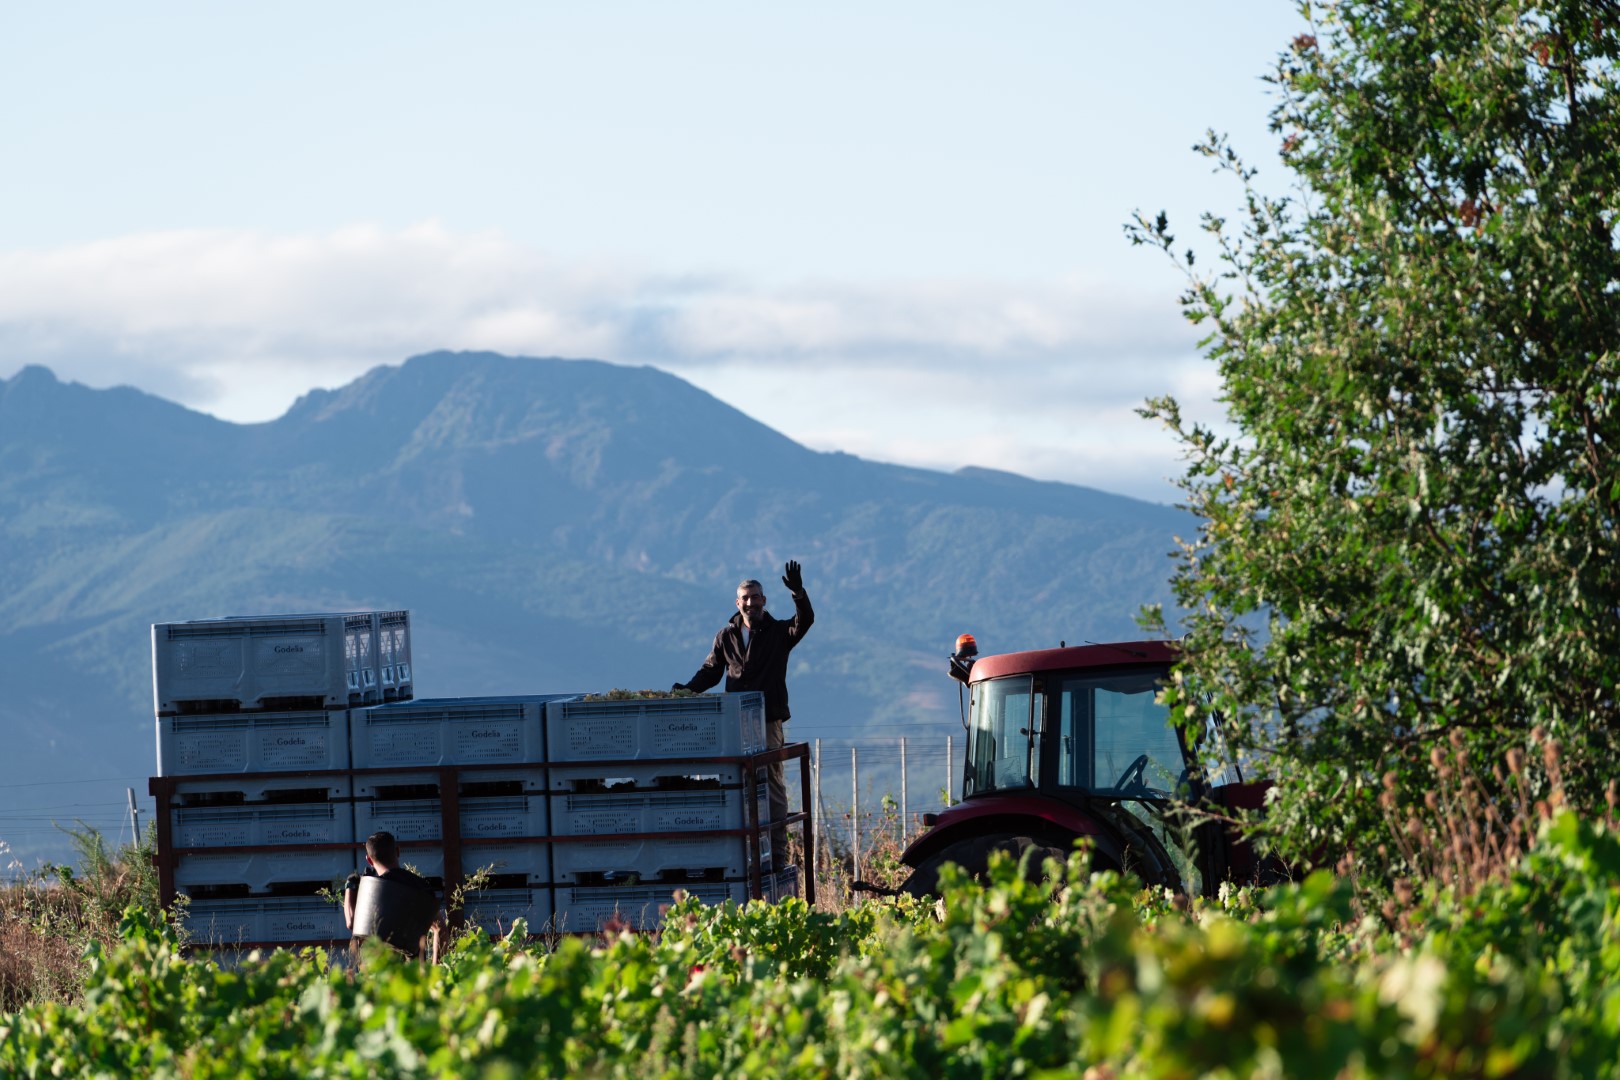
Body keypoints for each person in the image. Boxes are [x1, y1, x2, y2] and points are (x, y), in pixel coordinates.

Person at [674, 560, 814, 862]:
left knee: (773, 781)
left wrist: (799, 593)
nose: (751, 602)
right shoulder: (727, 636)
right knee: (742, 783)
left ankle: (776, 854)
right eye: (745, 598)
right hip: (736, 721)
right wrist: (686, 690)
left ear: (764, 600)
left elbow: (805, 622)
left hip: (768, 718)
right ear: (738, 603)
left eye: (756, 597)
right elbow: (711, 672)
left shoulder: (779, 633)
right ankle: (747, 853)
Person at [343, 830, 441, 962]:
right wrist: (436, 969)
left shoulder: (372, 893)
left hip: (378, 974)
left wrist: (350, 886)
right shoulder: (421, 887)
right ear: (398, 851)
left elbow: (351, 923)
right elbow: (440, 929)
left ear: (369, 860)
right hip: (414, 976)